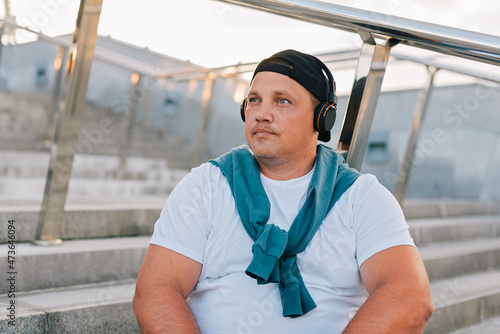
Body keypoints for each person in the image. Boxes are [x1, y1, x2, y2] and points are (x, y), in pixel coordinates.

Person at [133, 49, 433, 333]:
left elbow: (409, 298)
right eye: (253, 100)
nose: (262, 114)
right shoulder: (206, 185)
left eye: (282, 101)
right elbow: (157, 291)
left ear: (322, 118)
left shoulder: (362, 197)